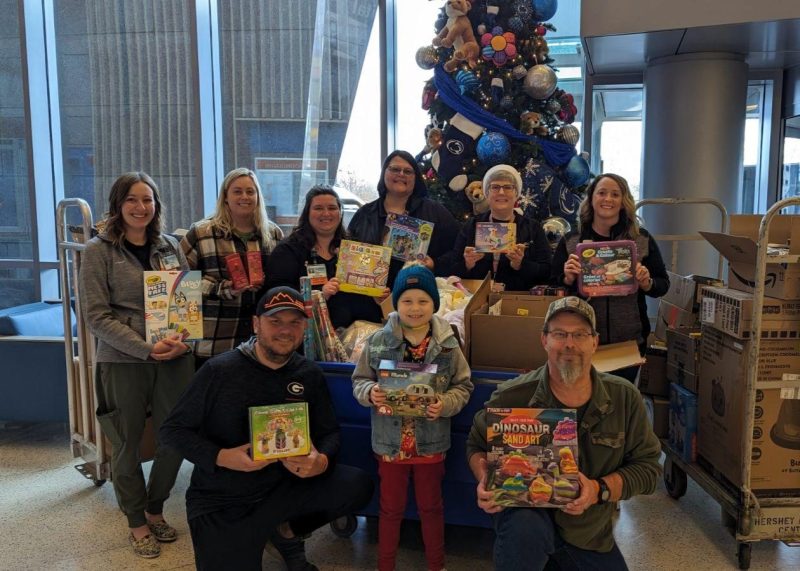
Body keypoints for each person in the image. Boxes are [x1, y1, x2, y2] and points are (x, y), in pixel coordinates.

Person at [159, 286, 374, 571]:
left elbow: (329, 432)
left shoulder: (308, 373)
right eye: (275, 321)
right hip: (223, 498)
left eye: (294, 322)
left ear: (304, 327)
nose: (285, 330)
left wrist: (320, 461)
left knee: (357, 484)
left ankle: (285, 531)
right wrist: (222, 457)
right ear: (256, 323)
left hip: (284, 489)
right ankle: (262, 534)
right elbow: (172, 431)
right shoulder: (218, 371)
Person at [467, 296, 661, 570]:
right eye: (559, 333)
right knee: (525, 528)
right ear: (544, 340)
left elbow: (649, 468)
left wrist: (597, 489)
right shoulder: (512, 395)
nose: (570, 344)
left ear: (594, 342)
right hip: (526, 524)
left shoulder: (624, 397)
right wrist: (484, 478)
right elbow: (475, 444)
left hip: (587, 532)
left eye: (580, 334)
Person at [79, 172, 194, 559]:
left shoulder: (171, 246)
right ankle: (136, 520)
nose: (141, 207)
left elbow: (183, 303)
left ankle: (156, 507)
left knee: (175, 438)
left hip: (174, 358)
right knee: (126, 443)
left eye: (148, 200)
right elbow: (96, 315)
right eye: (132, 199)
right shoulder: (99, 251)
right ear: (117, 205)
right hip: (123, 359)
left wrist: (183, 340)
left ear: (157, 206)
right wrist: (146, 348)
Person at [352, 264, 474, 571]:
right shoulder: (379, 340)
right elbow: (359, 379)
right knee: (390, 509)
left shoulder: (448, 343)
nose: (415, 308)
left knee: (431, 507)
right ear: (396, 302)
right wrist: (370, 392)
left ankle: (437, 564)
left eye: (423, 301)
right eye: (407, 300)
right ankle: (385, 565)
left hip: (430, 443)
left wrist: (444, 403)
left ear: (435, 303)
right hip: (390, 443)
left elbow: (463, 385)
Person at [550, 173, 669, 382]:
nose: (608, 199)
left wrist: (646, 282)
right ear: (591, 198)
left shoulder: (641, 239)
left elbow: (662, 285)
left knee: (621, 404)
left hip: (628, 342)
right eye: (602, 193)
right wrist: (567, 279)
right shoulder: (571, 241)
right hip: (580, 341)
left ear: (624, 202)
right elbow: (552, 285)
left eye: (615, 194)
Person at [180, 167, 283, 368]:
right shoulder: (201, 233)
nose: (244, 197)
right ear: (225, 197)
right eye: (237, 191)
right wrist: (225, 288)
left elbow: (281, 283)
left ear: (258, 197)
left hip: (259, 346)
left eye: (250, 191)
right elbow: (179, 284)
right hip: (213, 344)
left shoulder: (273, 235)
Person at [266, 185, 383, 328]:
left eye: (332, 208)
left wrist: (378, 296)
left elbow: (367, 300)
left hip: (355, 340)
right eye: (318, 208)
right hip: (308, 338)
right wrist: (320, 296)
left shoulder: (356, 250)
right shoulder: (288, 251)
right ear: (307, 212)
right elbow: (277, 297)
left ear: (340, 213)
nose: (326, 213)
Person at [347, 150, 461, 289]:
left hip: (422, 297)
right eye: (395, 169)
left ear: (416, 178)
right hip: (372, 301)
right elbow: (350, 255)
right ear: (384, 173)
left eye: (408, 171)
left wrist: (434, 263)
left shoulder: (436, 212)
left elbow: (457, 250)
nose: (401, 174)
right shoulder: (365, 214)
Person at [450, 164, 552, 290]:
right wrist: (467, 264)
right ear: (487, 194)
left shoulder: (532, 228)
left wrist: (520, 264)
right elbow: (452, 269)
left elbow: (547, 272)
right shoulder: (471, 226)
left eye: (508, 187)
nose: (501, 192)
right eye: (495, 187)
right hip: (477, 299)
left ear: (517, 194)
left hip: (518, 301)